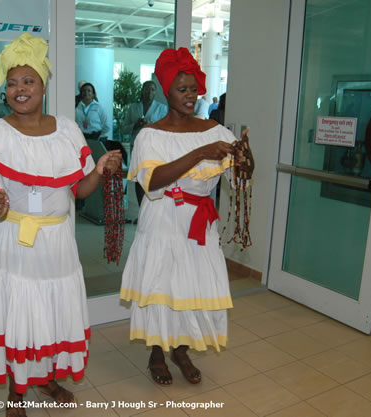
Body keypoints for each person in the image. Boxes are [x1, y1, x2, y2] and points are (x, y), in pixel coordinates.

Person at [0, 33, 121, 417]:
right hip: (14, 242)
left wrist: (100, 171)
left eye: (29, 80)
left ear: (43, 84)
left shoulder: (67, 129)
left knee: (50, 313)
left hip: (57, 243)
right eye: (12, 83)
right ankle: (16, 394)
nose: (21, 89)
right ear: (4, 90)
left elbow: (79, 189)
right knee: (19, 312)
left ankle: (45, 377)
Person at [120, 47, 254, 386]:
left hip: (199, 224)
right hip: (163, 220)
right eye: (182, 89)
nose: (191, 95)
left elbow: (242, 177)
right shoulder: (150, 135)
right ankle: (155, 354)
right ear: (167, 91)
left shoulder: (215, 130)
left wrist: (245, 159)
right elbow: (153, 181)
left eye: (194, 88)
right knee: (160, 285)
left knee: (189, 286)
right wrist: (200, 153)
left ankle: (180, 349)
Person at [121, 80, 168, 205]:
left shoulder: (162, 108)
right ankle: (141, 208)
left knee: (152, 178)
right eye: (147, 89)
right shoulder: (134, 108)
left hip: (154, 148)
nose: (149, 92)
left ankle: (152, 208)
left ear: (156, 92)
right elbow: (124, 129)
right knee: (139, 179)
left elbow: (166, 130)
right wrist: (135, 124)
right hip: (138, 147)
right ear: (142, 91)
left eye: (152, 89)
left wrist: (151, 125)